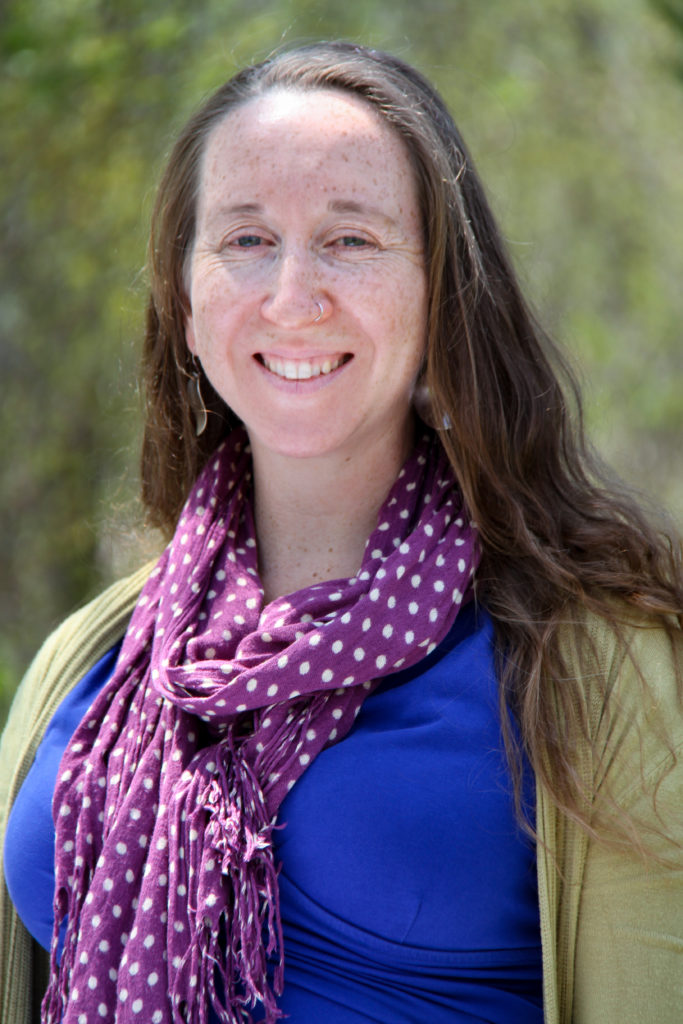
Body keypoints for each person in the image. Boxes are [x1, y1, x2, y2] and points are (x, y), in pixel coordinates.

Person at [1, 40, 681, 1024]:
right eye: (243, 240)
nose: (291, 292)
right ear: (187, 308)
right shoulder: (93, 657)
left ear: (443, 297)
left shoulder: (594, 664)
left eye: (350, 239)